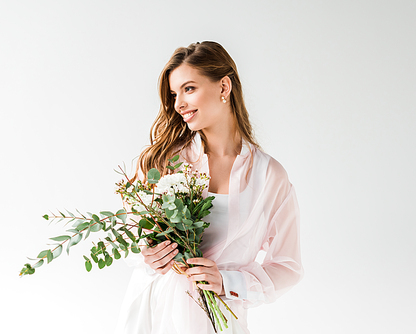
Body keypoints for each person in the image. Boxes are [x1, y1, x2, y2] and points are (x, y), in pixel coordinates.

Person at [114, 41, 303, 334]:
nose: (178, 104)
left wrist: (228, 282)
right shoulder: (164, 161)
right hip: (156, 312)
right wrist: (147, 255)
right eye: (175, 94)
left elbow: (288, 266)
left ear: (223, 87)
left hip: (219, 320)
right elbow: (133, 234)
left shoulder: (269, 177)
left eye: (189, 89)